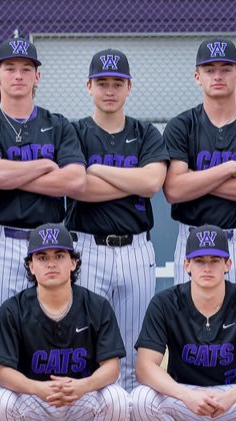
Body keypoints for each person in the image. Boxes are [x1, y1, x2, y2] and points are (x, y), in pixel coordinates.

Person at [0, 37, 86, 392]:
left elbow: (76, 179)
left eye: (26, 69)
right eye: (10, 69)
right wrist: (44, 166)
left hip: (49, 246)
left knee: (51, 337)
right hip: (1, 239)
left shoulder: (58, 124)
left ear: (37, 76)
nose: (18, 75)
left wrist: (17, 173)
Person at [67, 48, 169, 390]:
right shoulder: (74, 132)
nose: (109, 90)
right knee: (84, 341)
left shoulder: (145, 133)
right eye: (102, 83)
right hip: (86, 246)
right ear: (89, 86)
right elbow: (79, 187)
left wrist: (98, 170)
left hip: (136, 248)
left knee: (132, 346)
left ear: (129, 87)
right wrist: (129, 180)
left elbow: (152, 183)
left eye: (117, 83)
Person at [131, 225, 236, 421]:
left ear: (228, 264)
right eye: (199, 261)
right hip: (185, 397)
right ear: (187, 265)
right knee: (141, 400)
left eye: (215, 261)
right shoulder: (165, 303)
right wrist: (187, 395)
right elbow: (144, 368)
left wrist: (232, 396)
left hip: (235, 397)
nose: (207, 268)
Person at [0, 223, 130, 421]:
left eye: (59, 256)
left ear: (73, 263)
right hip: (35, 400)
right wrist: (38, 388)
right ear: (31, 266)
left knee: (117, 398)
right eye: (42, 257)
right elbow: (3, 372)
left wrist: (83, 386)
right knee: (0, 403)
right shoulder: (12, 309)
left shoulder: (96, 305)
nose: (51, 263)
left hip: (80, 399)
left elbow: (112, 367)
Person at [162, 38, 236, 289]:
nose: (217, 75)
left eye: (225, 69)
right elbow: (173, 191)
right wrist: (229, 169)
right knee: (188, 326)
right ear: (197, 76)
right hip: (191, 240)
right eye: (209, 69)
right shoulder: (181, 126)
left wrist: (195, 179)